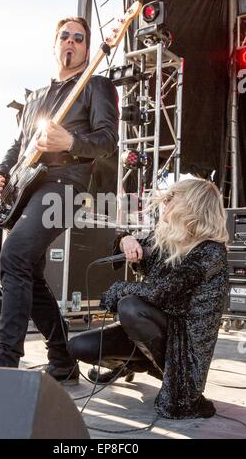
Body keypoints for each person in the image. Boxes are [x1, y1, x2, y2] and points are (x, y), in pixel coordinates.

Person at [0, 16, 119, 384]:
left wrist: (72, 143)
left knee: (13, 255)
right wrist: (1, 174)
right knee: (28, 270)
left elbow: (109, 141)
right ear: (55, 43)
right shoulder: (35, 98)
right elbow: (19, 145)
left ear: (88, 49)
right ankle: (62, 361)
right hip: (28, 185)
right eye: (66, 36)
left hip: (65, 185)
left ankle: (4, 363)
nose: (72, 42)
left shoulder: (96, 86)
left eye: (80, 38)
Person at [69, 178, 229, 418]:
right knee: (78, 346)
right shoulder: (165, 241)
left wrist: (118, 290)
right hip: (153, 329)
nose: (165, 204)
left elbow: (162, 293)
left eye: (170, 199)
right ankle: (133, 363)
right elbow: (129, 243)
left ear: (192, 206)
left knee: (130, 307)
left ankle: (168, 375)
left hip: (183, 343)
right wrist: (126, 240)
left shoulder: (211, 252)